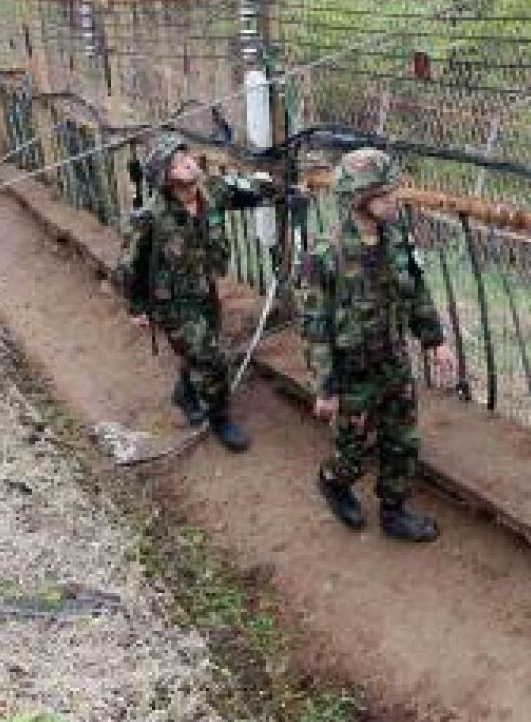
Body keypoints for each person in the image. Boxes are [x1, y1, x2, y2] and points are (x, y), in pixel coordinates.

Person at [298, 147, 460, 542]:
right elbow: (314, 326)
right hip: (351, 373)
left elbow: (416, 290)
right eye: (387, 194)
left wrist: (435, 341)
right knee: (353, 452)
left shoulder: (396, 238)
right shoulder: (326, 253)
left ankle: (394, 510)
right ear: (361, 199)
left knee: (401, 440)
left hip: (392, 361)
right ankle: (333, 482)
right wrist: (325, 387)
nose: (395, 199)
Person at [116, 132, 286, 452]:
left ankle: (186, 393)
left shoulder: (211, 193)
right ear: (166, 176)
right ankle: (219, 417)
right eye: (180, 163)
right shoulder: (151, 218)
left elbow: (247, 194)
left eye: (189, 158)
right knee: (211, 358)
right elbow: (129, 266)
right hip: (172, 303)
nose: (190, 164)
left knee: (194, 350)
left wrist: (279, 190)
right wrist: (136, 307)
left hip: (205, 291)